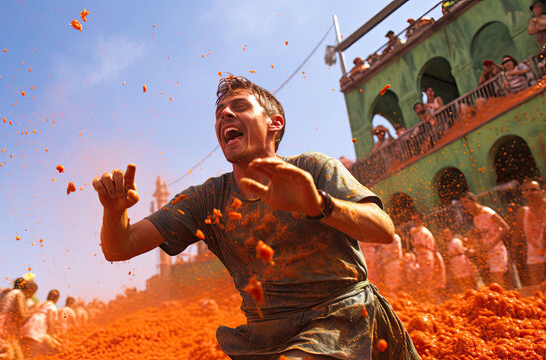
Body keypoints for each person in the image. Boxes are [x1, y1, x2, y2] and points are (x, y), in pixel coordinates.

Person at [93, 75, 420, 359]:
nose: (225, 114)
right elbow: (119, 247)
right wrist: (113, 211)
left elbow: (383, 229)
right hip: (266, 337)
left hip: (344, 320)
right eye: (220, 113)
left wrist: (318, 204)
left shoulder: (312, 168)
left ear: (274, 122)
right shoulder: (205, 200)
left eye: (240, 106)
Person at [459, 192, 511, 287]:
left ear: (474, 201)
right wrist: (475, 250)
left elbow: (506, 227)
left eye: (466, 202)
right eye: (462, 203)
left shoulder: (487, 211)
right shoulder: (475, 218)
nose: (464, 205)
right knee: (493, 282)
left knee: (498, 281)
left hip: (498, 250)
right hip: (488, 253)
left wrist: (492, 244)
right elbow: (482, 237)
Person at [0, 277, 38, 360]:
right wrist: (35, 309)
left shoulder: (6, 291)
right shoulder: (18, 294)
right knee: (5, 354)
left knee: (14, 353)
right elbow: (23, 315)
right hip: (2, 326)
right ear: (29, 290)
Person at [514, 180, 545, 286]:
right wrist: (514, 253)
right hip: (534, 255)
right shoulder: (523, 211)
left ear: (542, 191)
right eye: (526, 190)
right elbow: (517, 234)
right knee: (538, 287)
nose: (529, 193)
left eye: (533, 190)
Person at [409, 213, 446, 302]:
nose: (414, 222)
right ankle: (427, 301)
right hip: (420, 258)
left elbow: (430, 248)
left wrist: (417, 246)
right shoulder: (415, 232)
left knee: (429, 281)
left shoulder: (424, 232)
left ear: (421, 220)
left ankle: (435, 301)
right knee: (422, 281)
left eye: (416, 220)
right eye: (413, 220)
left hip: (427, 258)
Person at [21, 289, 62, 358]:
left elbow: (28, 313)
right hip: (39, 326)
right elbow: (50, 321)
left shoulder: (40, 304)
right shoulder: (51, 306)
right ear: (56, 299)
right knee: (35, 350)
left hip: (29, 325)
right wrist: (51, 335)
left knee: (26, 348)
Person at [441, 228, 477, 293]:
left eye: (448, 234)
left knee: (466, 278)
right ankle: (463, 292)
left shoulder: (456, 241)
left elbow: (461, 251)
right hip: (454, 263)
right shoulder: (447, 244)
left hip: (461, 261)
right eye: (445, 235)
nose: (447, 235)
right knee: (459, 279)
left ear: (450, 233)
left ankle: (469, 291)